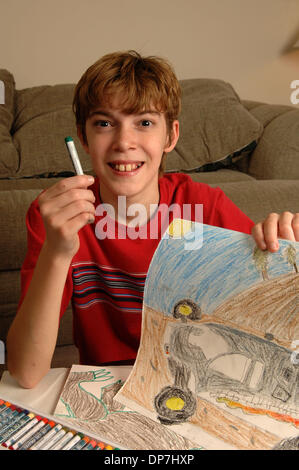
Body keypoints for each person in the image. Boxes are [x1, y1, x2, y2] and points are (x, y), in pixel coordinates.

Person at [7, 51, 299, 389]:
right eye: (104, 123)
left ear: (170, 137)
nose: (124, 142)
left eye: (144, 123)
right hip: (109, 387)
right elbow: (26, 372)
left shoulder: (203, 206)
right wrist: (57, 253)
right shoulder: (56, 217)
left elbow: (271, 310)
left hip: (197, 384)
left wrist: (286, 247)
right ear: (84, 138)